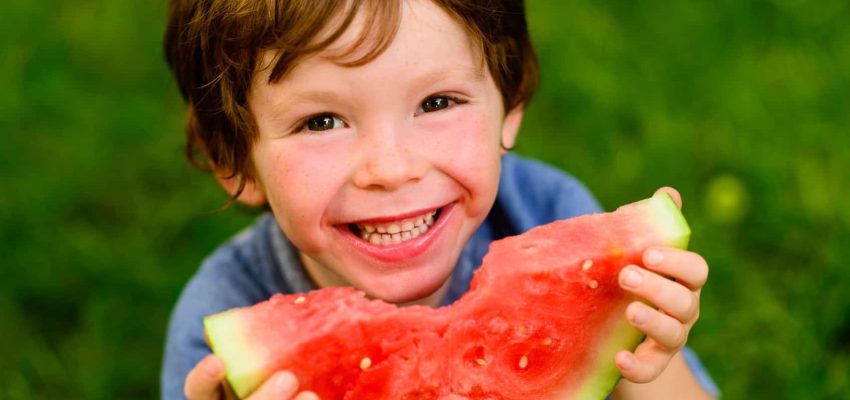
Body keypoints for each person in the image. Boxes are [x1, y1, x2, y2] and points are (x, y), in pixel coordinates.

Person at [161, 0, 719, 399]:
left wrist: (641, 357)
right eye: (322, 121)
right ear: (233, 161)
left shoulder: (548, 210)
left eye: (436, 103)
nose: (391, 169)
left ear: (510, 104)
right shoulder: (215, 323)